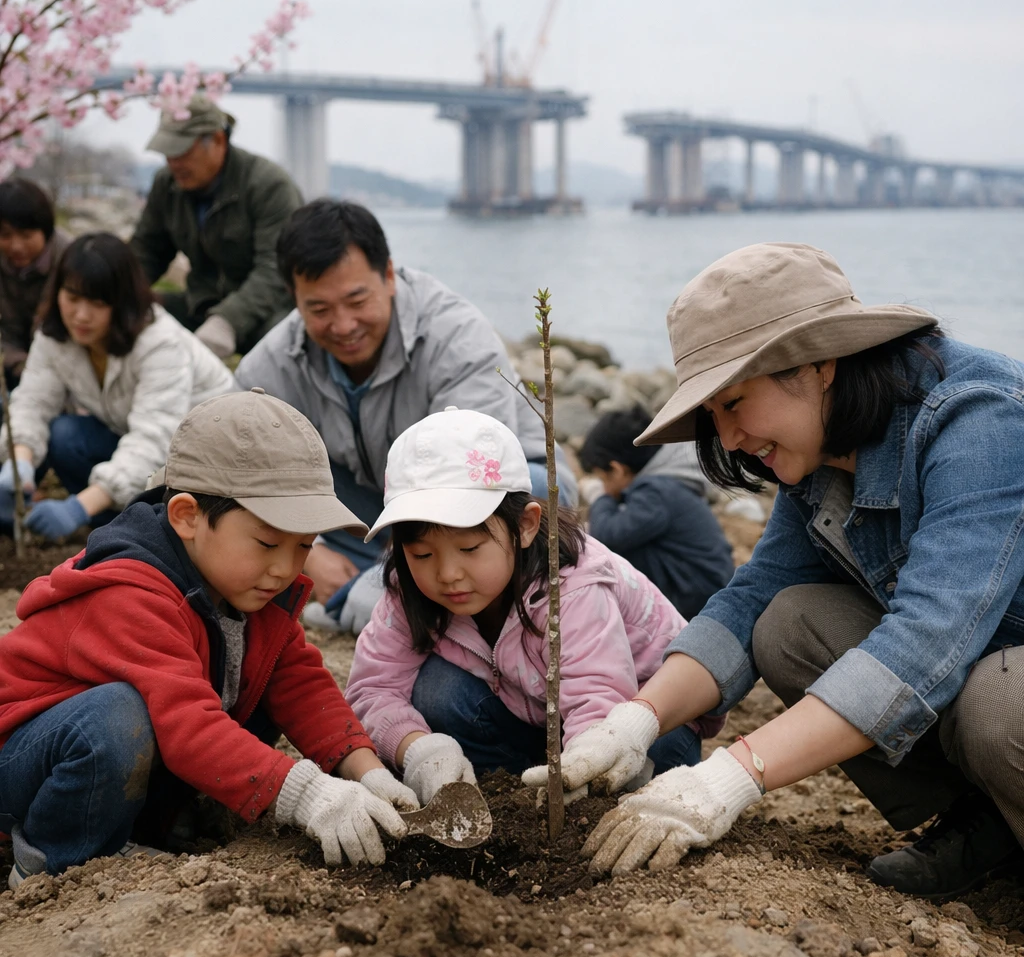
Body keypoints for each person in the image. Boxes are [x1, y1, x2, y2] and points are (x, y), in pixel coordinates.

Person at [544, 242, 1024, 900]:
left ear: (818, 365)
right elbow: (750, 600)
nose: (730, 437)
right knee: (790, 625)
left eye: (734, 403)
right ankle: (988, 829)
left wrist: (732, 776)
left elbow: (927, 639)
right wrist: (638, 719)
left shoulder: (980, 421)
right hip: (979, 668)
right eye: (712, 415)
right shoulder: (822, 450)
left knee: (1000, 706)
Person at [0, 389, 416, 887]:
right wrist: (306, 794)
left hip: (107, 764)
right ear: (187, 517)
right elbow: (187, 723)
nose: (284, 568)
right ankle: (53, 859)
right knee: (115, 719)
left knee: (257, 684)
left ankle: (159, 819)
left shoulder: (243, 586)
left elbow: (300, 682)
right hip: (25, 769)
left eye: (304, 546)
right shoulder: (130, 593)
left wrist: (366, 770)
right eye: (266, 542)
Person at [344, 407, 723, 807]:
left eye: (469, 548)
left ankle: (580, 793)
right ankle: (509, 794)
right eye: (421, 554)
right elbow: (373, 688)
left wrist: (582, 772)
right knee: (438, 690)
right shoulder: (410, 589)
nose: (448, 574)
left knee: (653, 755)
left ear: (525, 526)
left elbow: (597, 696)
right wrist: (417, 749)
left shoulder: (573, 585)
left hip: (634, 723)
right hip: (529, 717)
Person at [235, 199, 577, 623]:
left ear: (390, 276)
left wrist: (377, 573)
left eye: (357, 300)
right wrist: (310, 552)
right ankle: (384, 593)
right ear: (295, 298)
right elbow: (242, 471)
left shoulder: (457, 337)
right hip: (374, 509)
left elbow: (467, 487)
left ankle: (371, 597)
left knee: (542, 495)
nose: (343, 325)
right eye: (319, 309)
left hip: (482, 496)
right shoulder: (272, 362)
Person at [0, 232, 236, 540]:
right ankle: (117, 521)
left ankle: (135, 524)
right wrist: (19, 462)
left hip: (209, 465)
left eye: (97, 303)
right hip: (142, 445)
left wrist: (76, 508)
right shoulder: (57, 335)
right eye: (72, 298)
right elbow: (33, 401)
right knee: (66, 436)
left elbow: (155, 440)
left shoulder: (158, 342)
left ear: (122, 302)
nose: (81, 315)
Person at [130, 95, 302, 359]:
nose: (174, 162)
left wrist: (227, 320)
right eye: (168, 153)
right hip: (200, 303)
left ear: (218, 141)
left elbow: (275, 271)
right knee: (130, 309)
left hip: (267, 311)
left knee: (286, 340)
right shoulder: (167, 184)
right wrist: (116, 291)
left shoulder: (269, 185)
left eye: (183, 152)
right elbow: (147, 250)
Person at [580, 405, 734, 617]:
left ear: (617, 469)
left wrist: (599, 497)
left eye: (602, 478)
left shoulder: (657, 491)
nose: (603, 485)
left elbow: (608, 534)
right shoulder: (667, 484)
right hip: (702, 588)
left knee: (609, 552)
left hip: (696, 598)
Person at [0, 178, 70, 388]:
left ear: (46, 230)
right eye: (5, 235)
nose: (16, 246)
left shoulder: (69, 260)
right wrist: (17, 363)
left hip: (58, 371)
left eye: (26, 235)